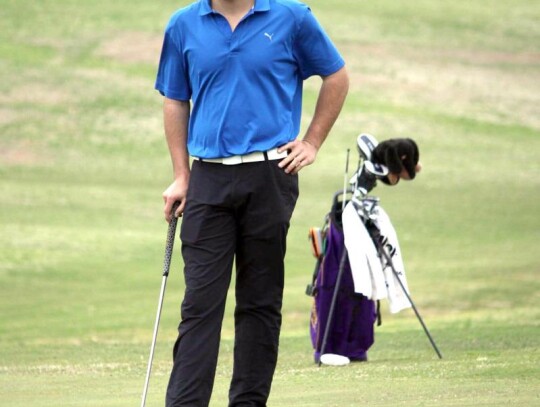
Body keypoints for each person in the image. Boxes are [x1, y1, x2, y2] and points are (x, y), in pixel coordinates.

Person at [155, 0, 349, 405]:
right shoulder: (183, 24)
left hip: (270, 174)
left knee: (260, 301)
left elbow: (336, 75)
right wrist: (181, 174)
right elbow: (175, 99)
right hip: (207, 176)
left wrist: (311, 142)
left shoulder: (292, 17)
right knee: (200, 304)